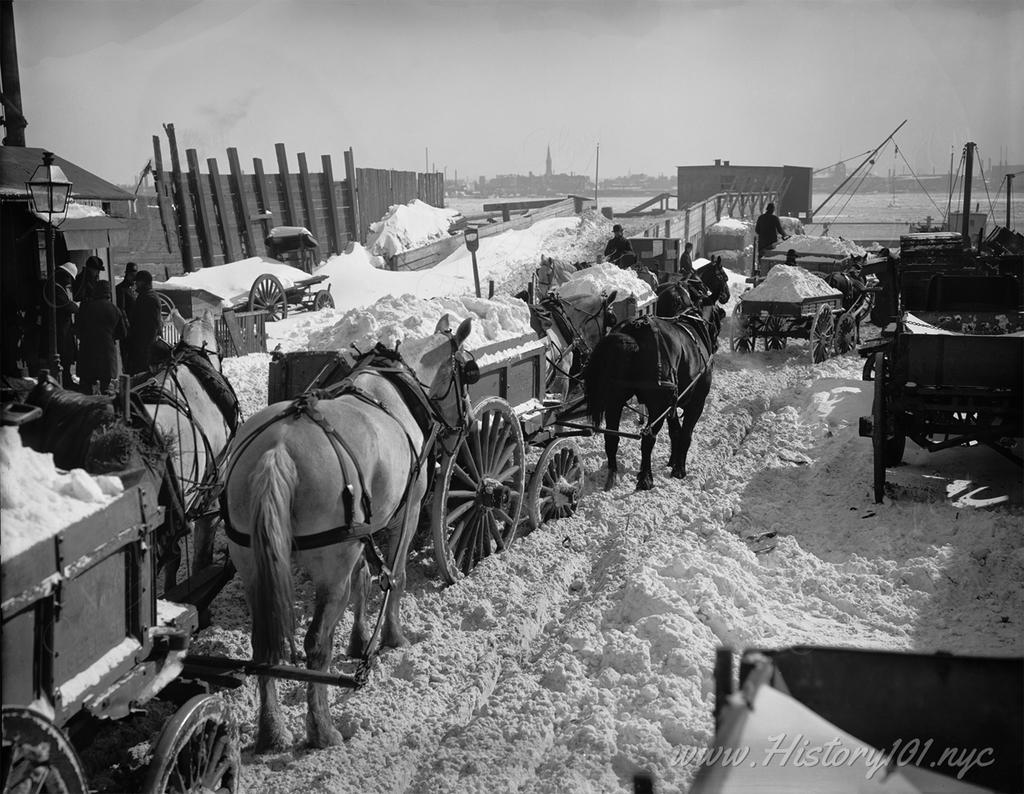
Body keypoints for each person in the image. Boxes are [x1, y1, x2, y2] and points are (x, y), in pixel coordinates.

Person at [76, 280, 127, 395]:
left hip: (87, 352)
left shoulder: (86, 308)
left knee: (85, 389)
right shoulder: (115, 309)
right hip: (106, 353)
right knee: (106, 389)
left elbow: (78, 329)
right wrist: (109, 337)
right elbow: (123, 333)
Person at [125, 269, 162, 375]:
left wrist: (146, 346)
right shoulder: (145, 296)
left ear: (144, 282)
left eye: (138, 281)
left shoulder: (149, 298)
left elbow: (153, 325)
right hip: (141, 342)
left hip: (145, 345)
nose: (135, 284)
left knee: (142, 372)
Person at [52, 262, 80, 387]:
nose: (69, 281)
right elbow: (67, 306)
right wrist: (76, 305)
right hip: (61, 330)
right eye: (68, 277)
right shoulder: (55, 289)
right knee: (64, 356)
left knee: (67, 357)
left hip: (64, 329)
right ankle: (66, 382)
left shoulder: (58, 288)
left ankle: (67, 379)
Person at [754, 203, 789, 274]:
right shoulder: (774, 218)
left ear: (767, 209)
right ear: (773, 209)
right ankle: (771, 272)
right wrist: (785, 236)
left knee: (761, 257)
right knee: (771, 258)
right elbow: (780, 230)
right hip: (771, 244)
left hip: (762, 243)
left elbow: (757, 230)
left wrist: (763, 234)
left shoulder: (761, 217)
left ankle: (761, 271)